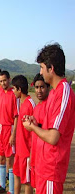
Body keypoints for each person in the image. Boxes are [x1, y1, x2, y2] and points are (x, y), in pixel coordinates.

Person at [23, 43, 75, 193]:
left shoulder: (63, 92)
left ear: (51, 68)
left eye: (41, 67)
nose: (41, 72)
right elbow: (48, 126)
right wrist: (35, 122)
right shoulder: (53, 93)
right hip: (43, 165)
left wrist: (32, 127)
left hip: (51, 167)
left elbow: (53, 137)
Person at [0, 70, 18, 194]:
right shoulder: (1, 92)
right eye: (1, 81)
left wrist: (13, 135)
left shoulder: (14, 94)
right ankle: (2, 186)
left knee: (10, 160)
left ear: (9, 79)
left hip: (10, 129)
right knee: (1, 158)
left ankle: (12, 190)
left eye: (4, 80)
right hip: (1, 129)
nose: (3, 83)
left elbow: (16, 116)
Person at [12, 75, 35, 194]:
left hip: (27, 151)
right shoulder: (21, 102)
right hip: (19, 150)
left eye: (14, 89)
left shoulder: (30, 104)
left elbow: (35, 130)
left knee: (27, 181)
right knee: (16, 174)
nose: (13, 91)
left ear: (19, 89)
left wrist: (32, 152)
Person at [30, 73, 50, 189]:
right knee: (36, 187)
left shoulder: (49, 106)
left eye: (42, 87)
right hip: (36, 155)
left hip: (45, 157)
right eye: (37, 87)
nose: (39, 90)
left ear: (48, 87)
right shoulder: (37, 107)